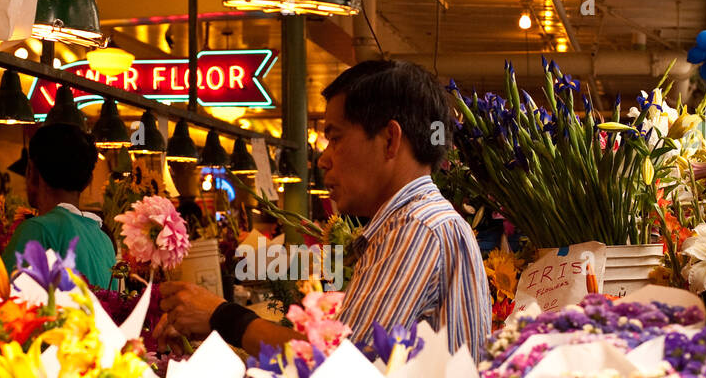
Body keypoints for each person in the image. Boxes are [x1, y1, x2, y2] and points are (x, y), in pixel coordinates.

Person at [158, 59, 491, 361]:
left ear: (390, 139)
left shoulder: (415, 227)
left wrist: (222, 316)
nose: (324, 158)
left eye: (336, 138)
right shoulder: (422, 221)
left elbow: (343, 365)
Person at [1, 123, 115, 288]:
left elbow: (3, 301)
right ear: (87, 182)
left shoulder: (37, 229)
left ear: (31, 171)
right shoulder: (104, 240)